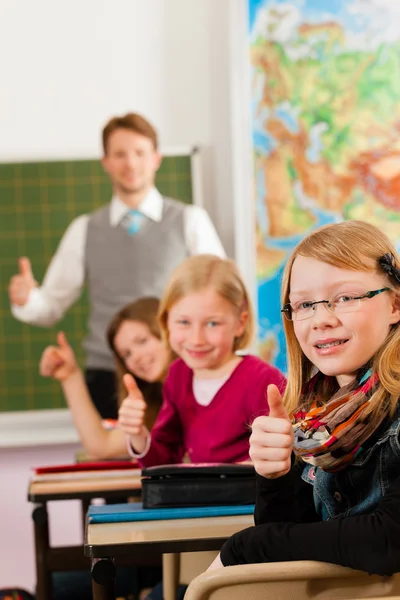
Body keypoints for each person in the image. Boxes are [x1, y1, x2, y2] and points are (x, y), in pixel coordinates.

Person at [208, 220, 400, 576]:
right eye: (304, 304)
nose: (320, 319)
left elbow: (388, 540)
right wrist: (272, 476)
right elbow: (286, 553)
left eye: (345, 298)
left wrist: (243, 547)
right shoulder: (312, 417)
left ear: (395, 305)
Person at [9, 112, 225, 418]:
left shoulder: (190, 220)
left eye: (139, 153)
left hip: (178, 370)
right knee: (112, 460)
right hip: (106, 378)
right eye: (120, 154)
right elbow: (50, 307)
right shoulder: (84, 229)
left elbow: (220, 295)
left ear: (156, 158)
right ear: (106, 162)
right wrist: (27, 300)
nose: (131, 163)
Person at [118, 254, 286, 466]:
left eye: (213, 323)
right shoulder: (178, 375)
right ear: (166, 321)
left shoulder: (263, 381)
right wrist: (137, 434)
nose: (196, 340)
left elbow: (286, 457)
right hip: (201, 497)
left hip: (249, 497)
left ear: (240, 324)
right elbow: (162, 460)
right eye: (183, 322)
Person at [40, 297, 174, 459]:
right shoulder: (157, 405)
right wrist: (70, 376)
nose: (136, 357)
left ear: (168, 331)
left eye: (142, 341)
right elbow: (102, 446)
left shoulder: (198, 387)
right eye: (126, 354)